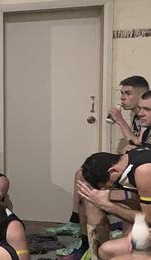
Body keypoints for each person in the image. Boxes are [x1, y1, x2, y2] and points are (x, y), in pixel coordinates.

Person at [47, 76, 149, 238]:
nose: (122, 98)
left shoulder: (144, 119)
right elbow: (138, 144)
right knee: (82, 173)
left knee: (90, 192)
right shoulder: (139, 117)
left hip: (139, 177)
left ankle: (90, 241)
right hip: (132, 165)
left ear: (143, 94)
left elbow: (140, 147)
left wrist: (120, 121)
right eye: (121, 93)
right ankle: (77, 224)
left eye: (128, 93)